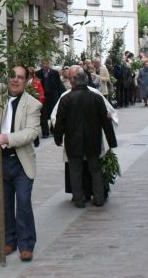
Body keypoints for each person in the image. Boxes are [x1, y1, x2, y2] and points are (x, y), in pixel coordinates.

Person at [0, 55, 42, 262]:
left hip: (21, 161)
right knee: (3, 203)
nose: (15, 80)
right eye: (12, 76)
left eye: (20, 77)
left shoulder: (33, 104)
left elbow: (32, 132)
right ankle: (9, 241)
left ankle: (26, 243)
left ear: (26, 81)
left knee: (22, 202)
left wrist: (7, 138)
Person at [53, 70, 117, 208]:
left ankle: (79, 199)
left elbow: (60, 122)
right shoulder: (96, 98)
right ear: (87, 81)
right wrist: (111, 141)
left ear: (73, 81)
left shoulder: (66, 99)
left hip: (73, 140)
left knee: (75, 170)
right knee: (95, 169)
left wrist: (58, 138)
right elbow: (106, 121)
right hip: (93, 140)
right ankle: (99, 197)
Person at [35, 60, 65, 137]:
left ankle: (53, 129)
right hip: (42, 96)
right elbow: (36, 85)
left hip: (53, 96)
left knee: (53, 113)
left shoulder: (54, 73)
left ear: (49, 64)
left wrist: (59, 96)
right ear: (41, 64)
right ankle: (45, 132)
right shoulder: (38, 73)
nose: (45, 65)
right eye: (44, 63)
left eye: (47, 63)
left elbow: (58, 85)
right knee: (43, 115)